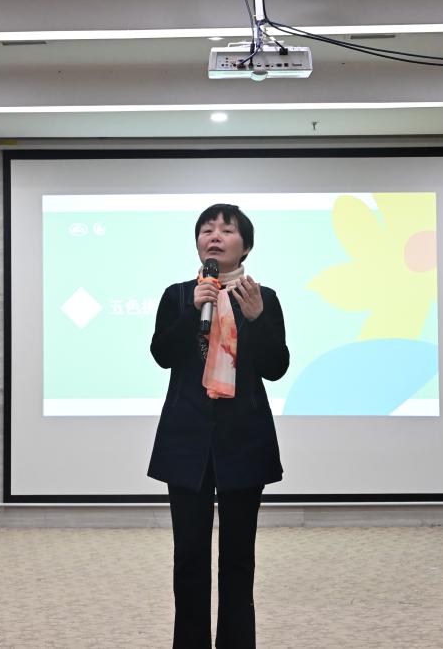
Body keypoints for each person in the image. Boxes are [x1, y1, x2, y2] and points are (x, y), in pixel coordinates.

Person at [148, 203, 289, 648]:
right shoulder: (178, 296)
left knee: (238, 560)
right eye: (206, 229)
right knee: (189, 558)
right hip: (186, 440)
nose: (214, 236)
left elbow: (276, 368)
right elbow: (162, 355)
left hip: (243, 439)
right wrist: (193, 311)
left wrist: (257, 319)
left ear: (245, 245)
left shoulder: (262, 298)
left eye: (226, 230)